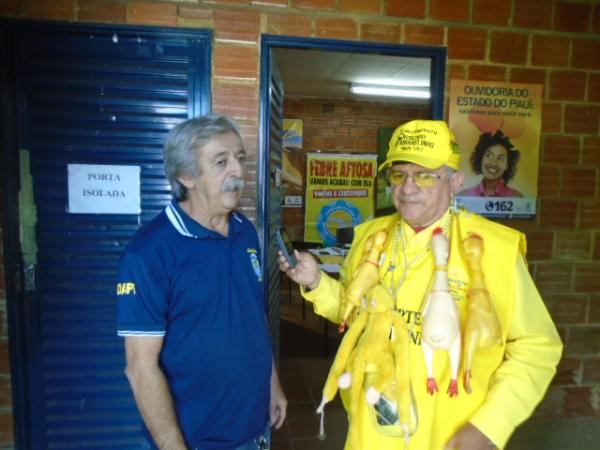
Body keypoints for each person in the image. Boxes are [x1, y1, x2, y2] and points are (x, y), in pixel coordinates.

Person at [279, 120, 561, 450]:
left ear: (455, 182)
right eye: (399, 174)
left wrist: (489, 426)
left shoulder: (493, 249)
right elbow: (354, 316)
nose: (408, 188)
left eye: (425, 175)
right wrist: (314, 280)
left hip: (448, 435)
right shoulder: (370, 236)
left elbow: (537, 348)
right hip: (371, 431)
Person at [116, 115, 287, 450]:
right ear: (185, 176)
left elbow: (252, 321)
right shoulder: (149, 253)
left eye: (240, 158)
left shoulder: (245, 231)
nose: (238, 171)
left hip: (255, 428)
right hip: (197, 439)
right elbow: (140, 368)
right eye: (221, 162)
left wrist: (272, 384)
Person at [458, 130, 523, 197]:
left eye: (500, 158)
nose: (493, 163)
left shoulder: (517, 198)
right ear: (481, 159)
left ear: (507, 165)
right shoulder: (463, 197)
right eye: (489, 155)